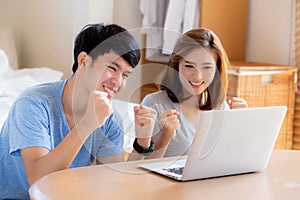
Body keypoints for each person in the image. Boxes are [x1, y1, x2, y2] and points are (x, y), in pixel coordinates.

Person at [0, 23, 157, 199]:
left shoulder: (110, 119)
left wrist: (143, 142)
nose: (118, 82)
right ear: (83, 61)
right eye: (112, 68)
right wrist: (87, 124)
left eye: (125, 75)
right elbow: (39, 180)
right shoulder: (32, 103)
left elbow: (114, 182)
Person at [141, 28, 248, 158]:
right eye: (189, 66)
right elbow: (142, 166)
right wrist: (165, 136)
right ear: (176, 65)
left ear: (217, 69)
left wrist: (242, 123)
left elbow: (231, 158)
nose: (197, 76)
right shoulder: (155, 104)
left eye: (207, 67)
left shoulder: (220, 107)